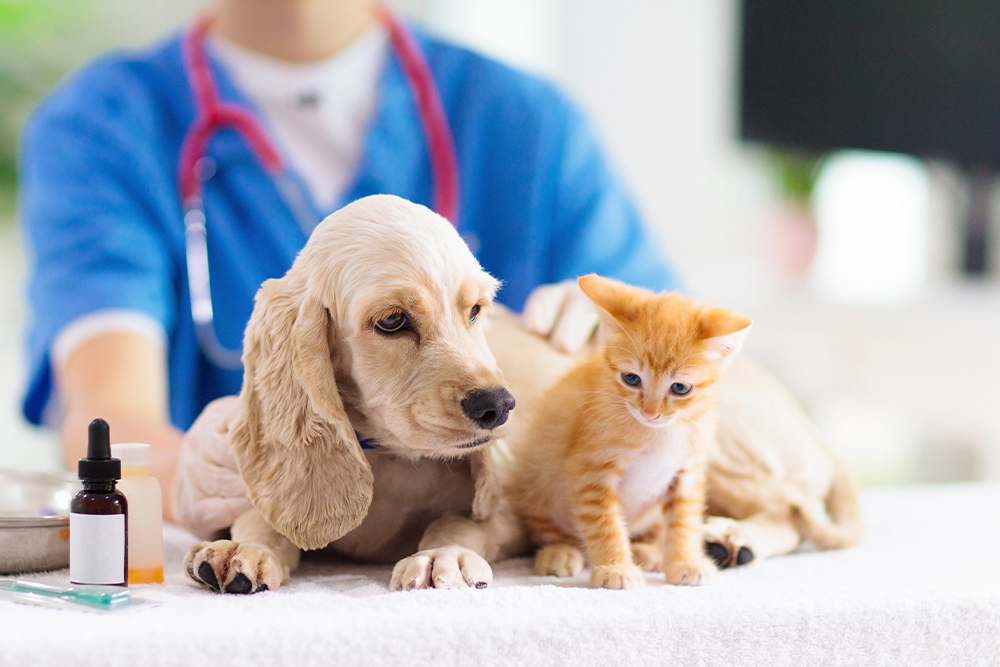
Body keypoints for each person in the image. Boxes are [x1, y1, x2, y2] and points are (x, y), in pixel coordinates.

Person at [18, 0, 679, 522]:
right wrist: (190, 473)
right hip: (250, 576)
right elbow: (106, 413)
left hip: (478, 553)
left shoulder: (527, 124)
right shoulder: (102, 126)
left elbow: (698, 371)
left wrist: (621, 354)